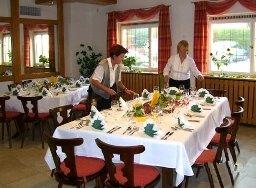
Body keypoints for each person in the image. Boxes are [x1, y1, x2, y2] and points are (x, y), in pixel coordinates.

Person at [88, 44, 135, 111]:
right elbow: (94, 81)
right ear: (114, 56)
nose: (123, 59)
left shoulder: (118, 66)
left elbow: (118, 81)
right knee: (98, 116)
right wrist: (108, 90)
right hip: (96, 94)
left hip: (106, 93)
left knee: (106, 112)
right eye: (121, 57)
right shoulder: (103, 65)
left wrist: (125, 89)